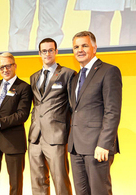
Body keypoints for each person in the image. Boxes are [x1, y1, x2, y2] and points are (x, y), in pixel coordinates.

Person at [68, 31, 122, 195]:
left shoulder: (109, 71)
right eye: (76, 47)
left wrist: (104, 144)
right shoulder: (75, 77)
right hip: (76, 147)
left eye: (84, 45)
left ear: (94, 47)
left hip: (97, 147)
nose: (80, 50)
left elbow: (112, 111)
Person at [29, 38, 75, 195]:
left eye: (50, 50)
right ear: (39, 53)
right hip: (35, 137)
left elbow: (72, 106)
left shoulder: (68, 74)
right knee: (38, 182)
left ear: (56, 51)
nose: (47, 53)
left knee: (60, 181)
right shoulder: (34, 77)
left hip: (56, 136)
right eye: (44, 51)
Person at [0, 52, 32, 195]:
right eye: (1, 67)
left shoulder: (24, 87)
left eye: (8, 66)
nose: (5, 70)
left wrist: (0, 122)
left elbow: (22, 114)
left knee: (15, 183)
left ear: (14, 65)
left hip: (13, 141)